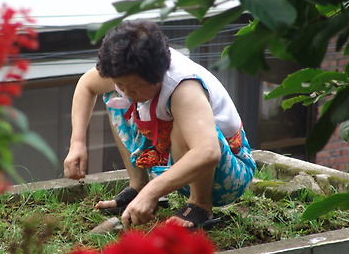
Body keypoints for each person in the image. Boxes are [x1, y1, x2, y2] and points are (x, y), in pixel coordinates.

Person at [63, 19, 256, 229]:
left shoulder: (183, 86)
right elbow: (86, 85)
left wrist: (153, 192)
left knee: (184, 124)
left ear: (157, 76)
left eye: (135, 87)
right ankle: (138, 185)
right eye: (121, 84)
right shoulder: (127, 75)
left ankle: (200, 204)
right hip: (169, 162)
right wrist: (77, 143)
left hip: (227, 175)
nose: (127, 92)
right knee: (113, 97)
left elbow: (208, 152)